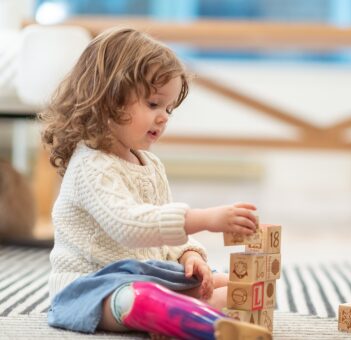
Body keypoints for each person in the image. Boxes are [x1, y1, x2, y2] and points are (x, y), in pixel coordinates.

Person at [39, 27, 270, 340]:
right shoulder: (91, 166)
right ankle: (189, 319)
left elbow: (163, 235)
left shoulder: (151, 165)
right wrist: (204, 219)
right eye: (153, 105)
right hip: (91, 287)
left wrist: (190, 256)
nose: (163, 118)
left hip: (146, 274)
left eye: (168, 108)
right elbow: (130, 225)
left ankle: (189, 314)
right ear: (109, 99)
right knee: (134, 296)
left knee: (239, 285)